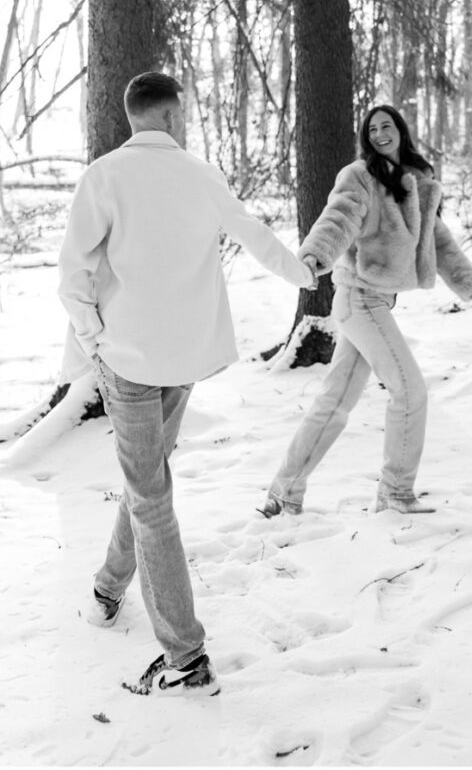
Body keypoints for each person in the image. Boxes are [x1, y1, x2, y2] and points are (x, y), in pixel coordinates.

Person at [56, 68, 311, 699]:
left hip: (131, 361)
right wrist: (305, 272)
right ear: (172, 117)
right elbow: (255, 237)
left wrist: (94, 340)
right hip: (184, 360)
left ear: (133, 116)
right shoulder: (203, 174)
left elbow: (73, 273)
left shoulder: (104, 176)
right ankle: (107, 591)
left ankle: (185, 658)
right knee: (149, 483)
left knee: (149, 493)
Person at [259, 103, 472, 519]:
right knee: (410, 391)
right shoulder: (360, 177)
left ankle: (283, 493)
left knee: (334, 402)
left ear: (401, 131)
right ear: (366, 139)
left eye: (387, 126)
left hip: (374, 302)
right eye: (372, 129)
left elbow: (440, 244)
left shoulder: (417, 185)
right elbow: (339, 219)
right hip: (359, 300)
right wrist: (314, 256)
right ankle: (396, 493)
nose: (380, 133)